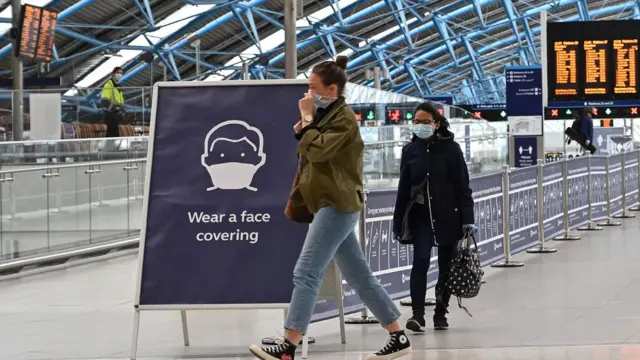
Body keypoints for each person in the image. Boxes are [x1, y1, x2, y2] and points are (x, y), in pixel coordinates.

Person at [249, 56, 411, 360]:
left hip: (338, 204)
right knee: (360, 276)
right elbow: (313, 149)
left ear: (332, 88)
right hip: (331, 203)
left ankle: (288, 346)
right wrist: (306, 127)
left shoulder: (344, 118)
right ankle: (397, 335)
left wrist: (307, 121)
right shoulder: (330, 115)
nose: (307, 95)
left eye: (313, 87)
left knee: (306, 272)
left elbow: (320, 151)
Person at [392, 102, 475, 333]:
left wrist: (468, 218)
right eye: (416, 122)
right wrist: (398, 222)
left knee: (446, 266)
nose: (420, 126)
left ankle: (441, 311)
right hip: (420, 218)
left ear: (436, 124)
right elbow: (403, 188)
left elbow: (462, 186)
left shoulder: (451, 149)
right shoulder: (410, 151)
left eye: (425, 122)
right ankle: (418, 314)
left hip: (449, 216)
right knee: (420, 262)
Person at [100, 67, 125, 138]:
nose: (119, 75)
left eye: (121, 73)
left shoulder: (119, 87)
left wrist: (122, 111)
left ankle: (112, 148)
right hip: (110, 116)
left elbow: (121, 102)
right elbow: (104, 101)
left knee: (115, 136)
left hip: (116, 116)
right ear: (113, 74)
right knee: (111, 136)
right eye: (118, 73)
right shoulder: (108, 85)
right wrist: (115, 110)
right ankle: (108, 149)